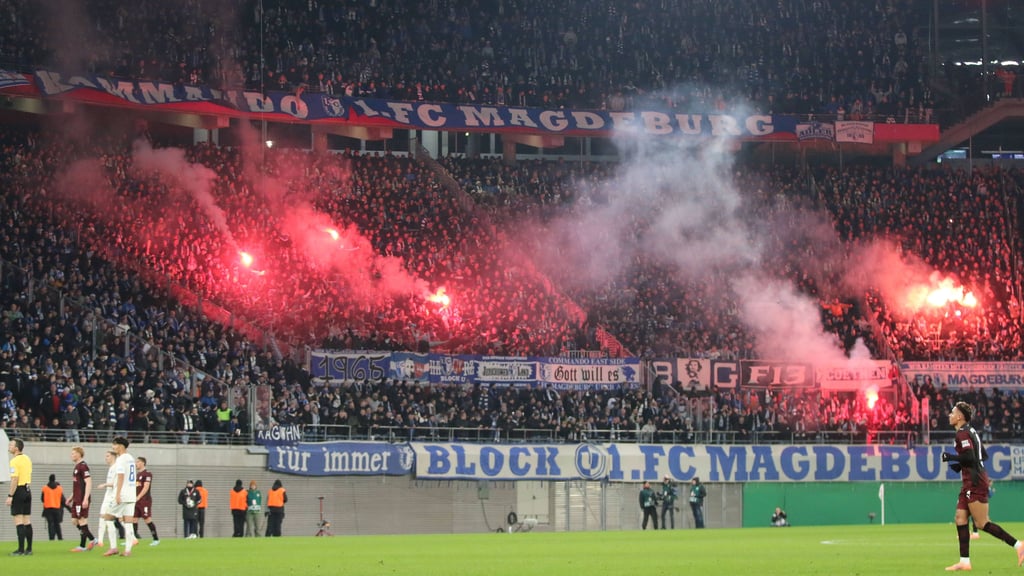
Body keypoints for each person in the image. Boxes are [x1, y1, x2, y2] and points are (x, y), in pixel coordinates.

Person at [942, 401, 1024, 571]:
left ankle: (1018, 545)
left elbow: (971, 457)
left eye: (952, 412)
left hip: (975, 481)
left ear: (959, 417)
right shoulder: (970, 431)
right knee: (960, 518)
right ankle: (965, 562)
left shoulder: (962, 434)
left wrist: (952, 458)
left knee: (982, 523)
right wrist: (961, 465)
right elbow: (982, 455)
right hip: (970, 480)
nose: (950, 415)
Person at [109, 436, 138, 557]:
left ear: (121, 446)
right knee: (128, 522)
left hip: (123, 494)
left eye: (114, 445)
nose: (113, 447)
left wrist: (117, 494)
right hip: (131, 494)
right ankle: (127, 550)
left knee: (106, 518)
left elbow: (121, 476)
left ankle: (113, 547)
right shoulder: (130, 458)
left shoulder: (121, 459)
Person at [7, 437, 34, 556]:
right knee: (27, 520)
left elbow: (15, 479)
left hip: (19, 490)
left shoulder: (14, 461)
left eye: (11, 445)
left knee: (18, 520)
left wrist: (10, 495)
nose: (9, 447)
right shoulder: (27, 458)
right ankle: (29, 549)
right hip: (27, 490)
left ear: (16, 448)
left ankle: (20, 549)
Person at [68, 446, 97, 551]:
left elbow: (88, 482)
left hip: (81, 499)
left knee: (82, 520)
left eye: (73, 453)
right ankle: (90, 540)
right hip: (76, 498)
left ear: (79, 454)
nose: (71, 455)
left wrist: (85, 499)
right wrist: (71, 497)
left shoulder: (83, 466)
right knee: (75, 521)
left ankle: (88, 542)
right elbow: (78, 485)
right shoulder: (77, 467)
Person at [133, 457, 160, 546]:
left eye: (137, 462)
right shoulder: (137, 475)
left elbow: (146, 487)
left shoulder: (147, 474)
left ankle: (156, 539)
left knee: (147, 519)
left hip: (145, 501)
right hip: (136, 501)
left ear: (143, 463)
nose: (136, 463)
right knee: (134, 519)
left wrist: (139, 497)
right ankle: (133, 539)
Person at [96, 450, 118, 552]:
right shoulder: (111, 468)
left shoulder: (117, 467)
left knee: (109, 519)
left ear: (113, 456)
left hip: (113, 496)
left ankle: (131, 538)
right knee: (102, 516)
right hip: (108, 495)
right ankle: (100, 541)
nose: (106, 458)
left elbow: (116, 483)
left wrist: (104, 484)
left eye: (108, 456)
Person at [41, 474, 64, 540]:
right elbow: (62, 499)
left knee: (50, 524)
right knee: (57, 524)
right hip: (57, 508)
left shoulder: (45, 488)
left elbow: (42, 499)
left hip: (48, 509)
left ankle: (51, 538)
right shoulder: (59, 488)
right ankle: (60, 537)